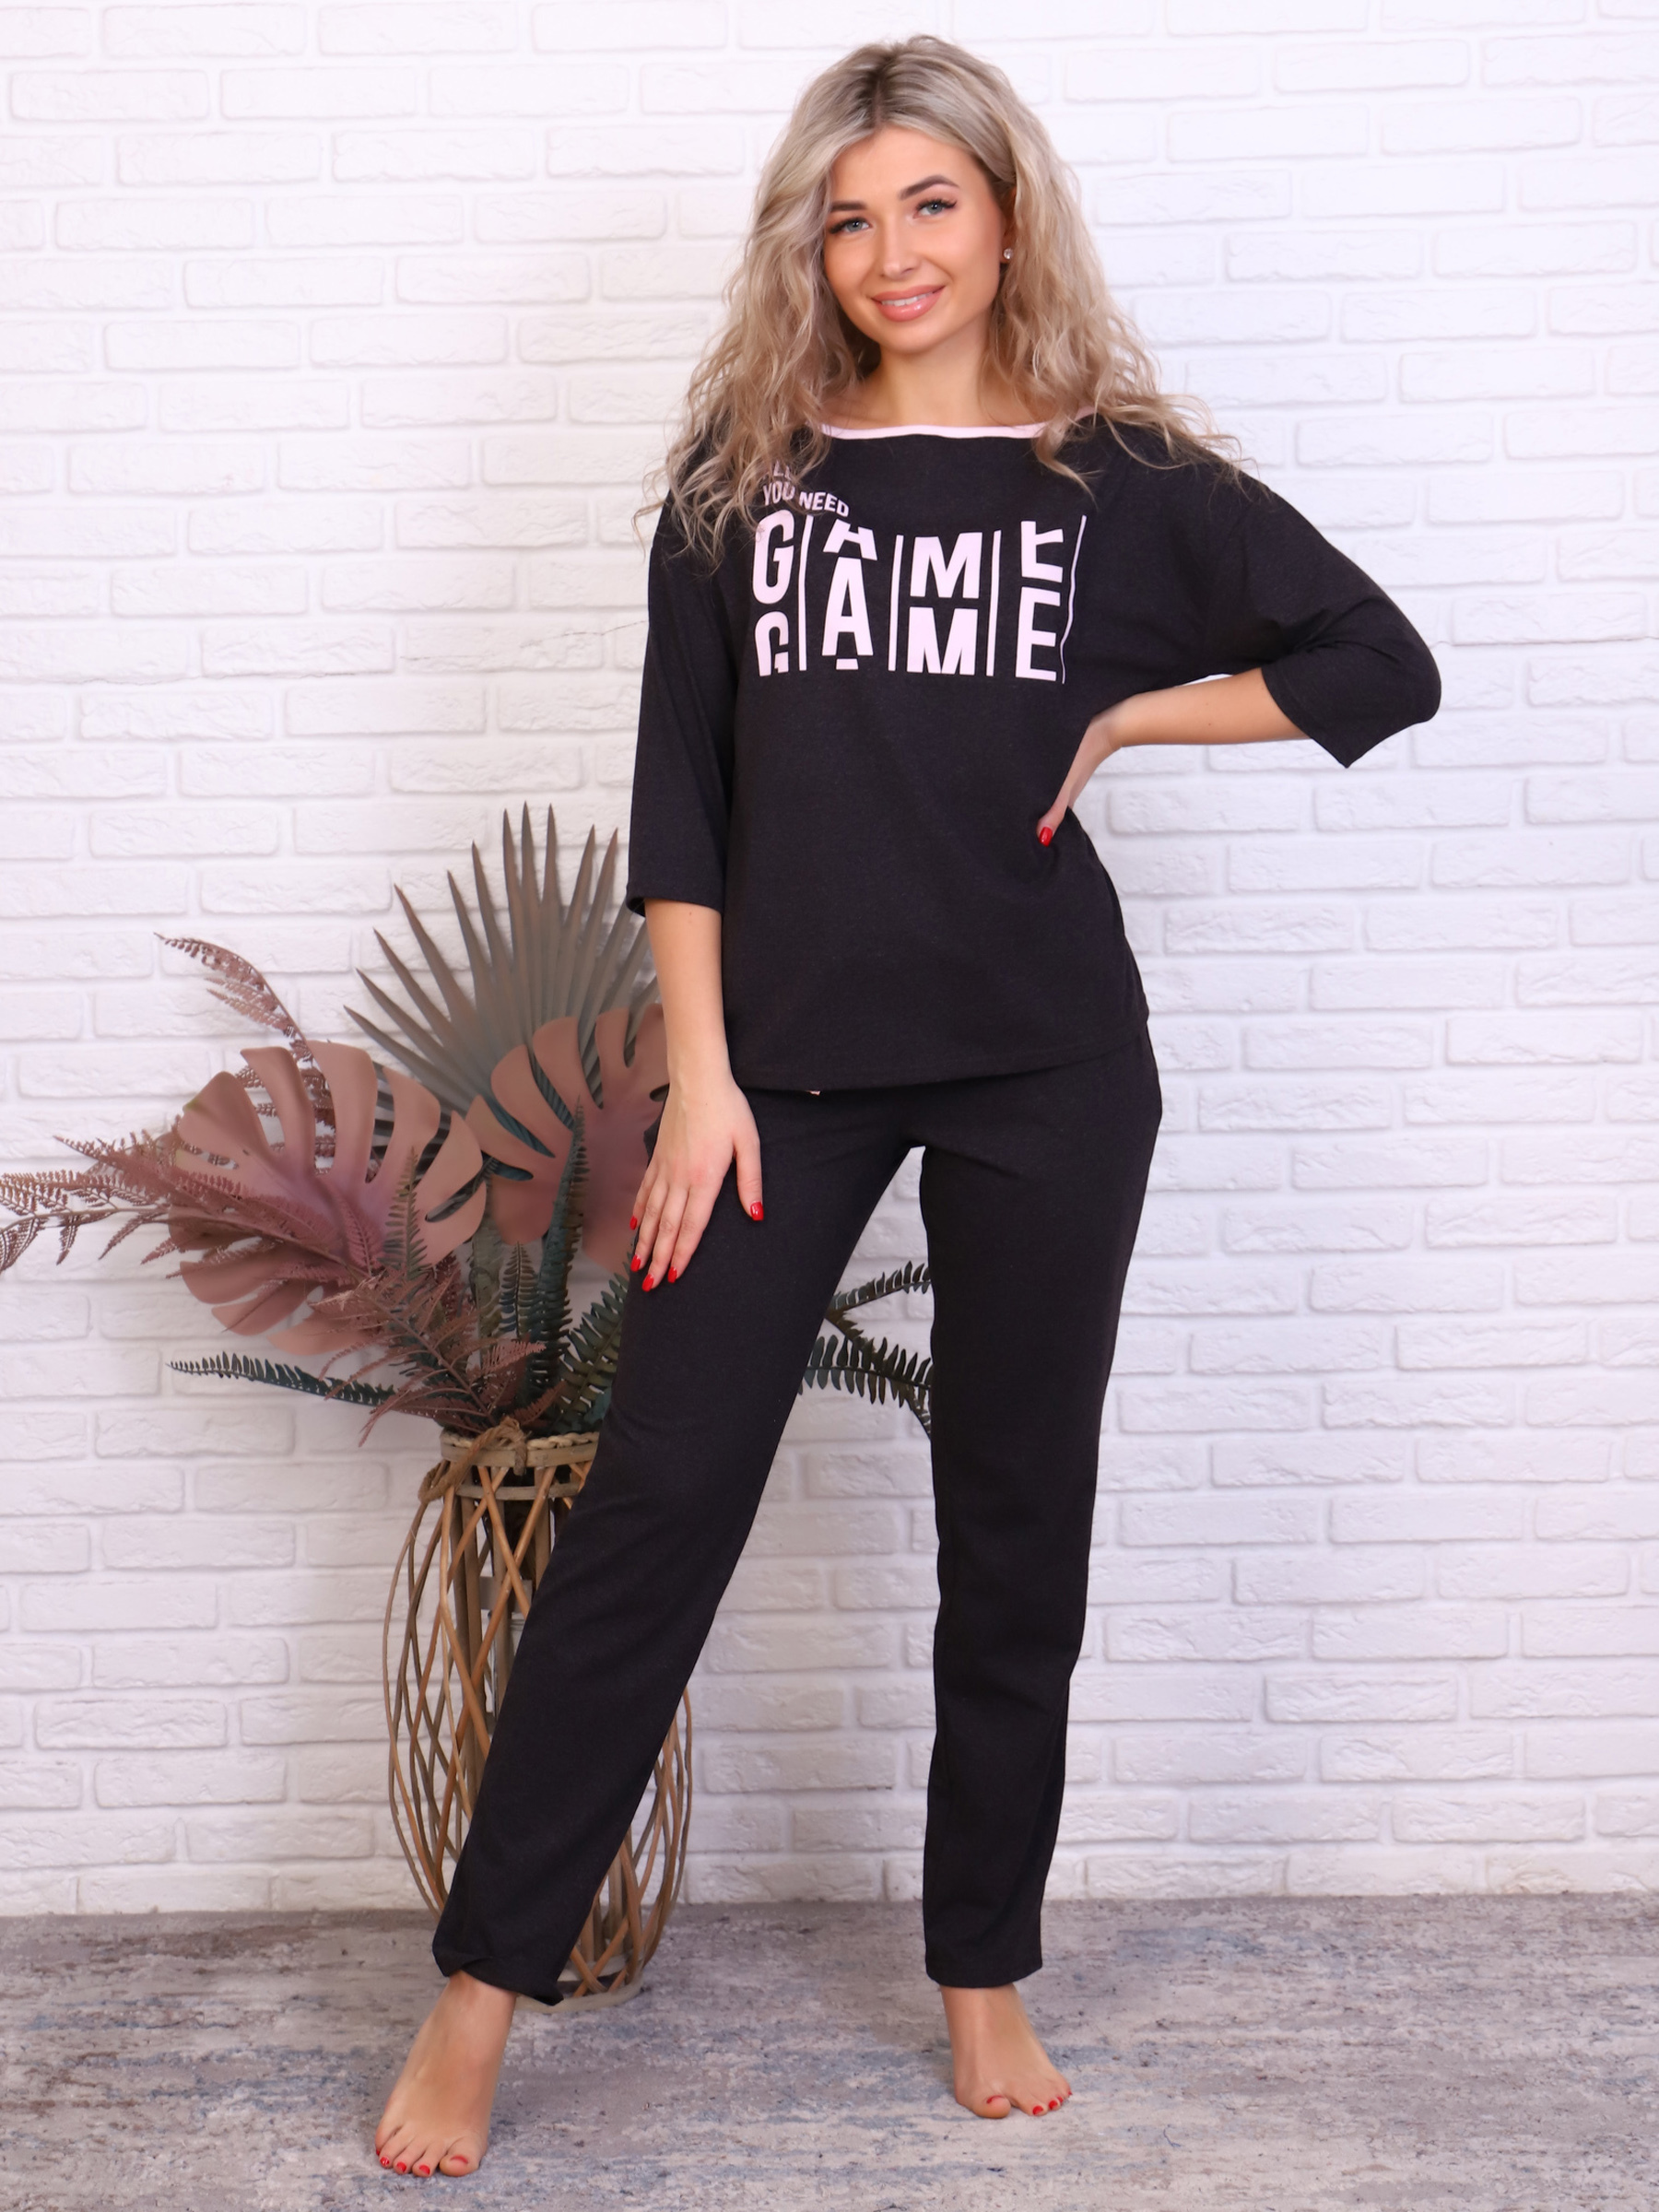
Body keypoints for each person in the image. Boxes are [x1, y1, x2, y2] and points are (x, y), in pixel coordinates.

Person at [374, 33, 1439, 2178]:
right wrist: (700, 1083)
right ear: (811, 249)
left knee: (1016, 1517)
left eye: (930, 204)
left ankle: (982, 1968)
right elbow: (683, 802)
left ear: (1007, 216)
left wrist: (1131, 716)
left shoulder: (1124, 480)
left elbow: (1377, 661)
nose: (892, 253)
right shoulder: (745, 479)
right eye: (849, 219)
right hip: (778, 1079)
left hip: (1052, 1061)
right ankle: (481, 1996)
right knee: (660, 1507)